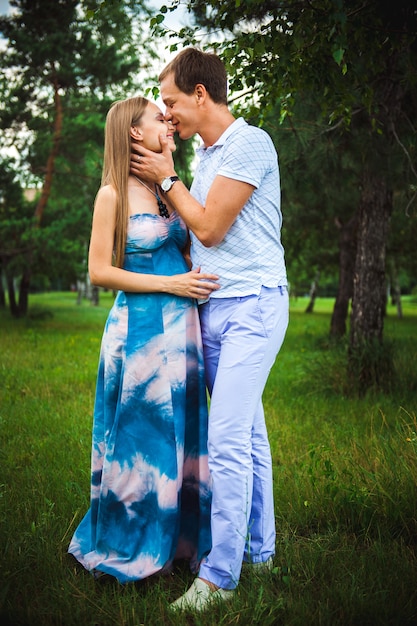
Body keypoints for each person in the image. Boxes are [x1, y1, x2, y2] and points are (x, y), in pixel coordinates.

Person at [130, 48, 289, 611]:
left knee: (225, 440)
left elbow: (214, 227)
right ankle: (261, 555)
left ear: (201, 95)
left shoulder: (250, 142)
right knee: (247, 437)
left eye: (171, 101)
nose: (167, 114)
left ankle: (219, 579)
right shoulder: (204, 155)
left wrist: (166, 177)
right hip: (213, 310)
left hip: (254, 306)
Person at [68, 95, 220, 584]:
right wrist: (171, 284)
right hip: (140, 336)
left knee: (184, 441)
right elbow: (98, 272)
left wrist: (171, 168)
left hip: (183, 337)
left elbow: (198, 234)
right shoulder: (112, 193)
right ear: (134, 132)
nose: (169, 122)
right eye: (160, 118)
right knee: (144, 443)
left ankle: (180, 546)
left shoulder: (166, 187)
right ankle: (132, 545)